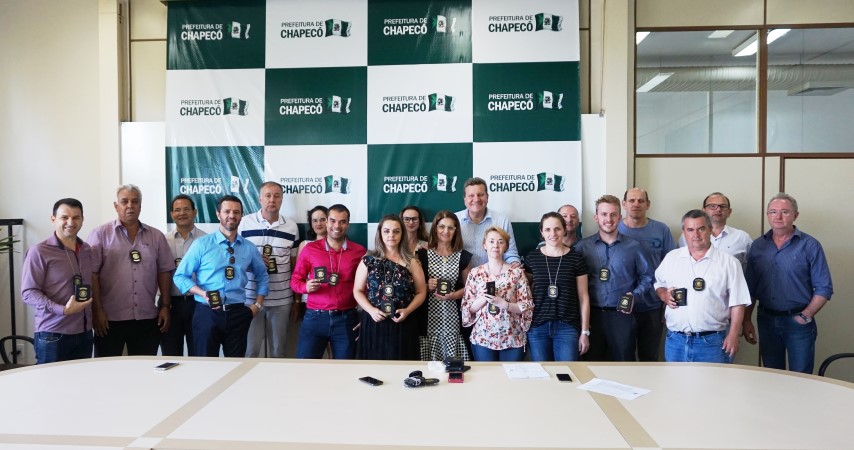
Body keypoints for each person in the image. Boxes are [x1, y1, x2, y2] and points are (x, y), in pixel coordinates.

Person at [744, 193, 833, 374]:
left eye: (785, 212)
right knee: (772, 375)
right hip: (766, 320)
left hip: (798, 322)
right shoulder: (758, 246)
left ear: (795, 215)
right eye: (773, 212)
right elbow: (750, 288)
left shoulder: (810, 245)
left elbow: (824, 288)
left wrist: (806, 315)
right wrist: (746, 320)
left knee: (801, 376)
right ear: (767, 215)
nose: (778, 217)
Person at [174, 195, 269, 357]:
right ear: (218, 214)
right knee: (205, 364)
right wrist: (202, 293)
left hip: (238, 313)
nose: (232, 215)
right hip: (207, 313)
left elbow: (262, 277)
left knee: (236, 365)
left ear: (241, 216)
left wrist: (257, 306)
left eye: (236, 212)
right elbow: (180, 276)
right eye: (227, 211)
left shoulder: (249, 248)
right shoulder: (201, 244)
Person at [87, 185, 173, 357]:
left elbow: (164, 271)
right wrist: (97, 311)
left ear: (140, 205)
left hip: (147, 317)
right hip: (109, 319)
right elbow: (92, 274)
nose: (130, 206)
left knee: (144, 368)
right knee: (106, 367)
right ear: (116, 206)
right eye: (124, 202)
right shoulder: (100, 234)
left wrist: (165, 306)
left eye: (135, 202)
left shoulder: (156, 236)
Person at [655, 210, 751, 363]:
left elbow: (738, 302)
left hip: (712, 343)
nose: (696, 235)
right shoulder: (672, 258)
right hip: (676, 341)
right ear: (684, 232)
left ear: (710, 229)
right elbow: (659, 283)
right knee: (675, 379)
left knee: (714, 380)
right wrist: (663, 295)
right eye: (690, 230)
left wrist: (733, 335)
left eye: (701, 229)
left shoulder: (729, 262)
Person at [575, 195, 653, 362]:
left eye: (613, 214)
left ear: (620, 217)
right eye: (604, 214)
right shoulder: (582, 247)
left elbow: (647, 277)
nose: (608, 219)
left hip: (622, 316)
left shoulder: (634, 246)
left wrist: (635, 295)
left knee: (623, 365)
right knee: (591, 366)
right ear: (596, 217)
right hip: (591, 317)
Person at [21, 198, 95, 364]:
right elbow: (28, 292)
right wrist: (62, 310)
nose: (71, 222)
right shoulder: (39, 252)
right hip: (53, 334)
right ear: (53, 219)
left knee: (81, 380)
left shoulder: (86, 249)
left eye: (76, 217)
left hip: (84, 333)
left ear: (82, 219)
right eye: (64, 217)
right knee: (50, 381)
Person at [291, 204, 366, 359]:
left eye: (342, 222)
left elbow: (366, 287)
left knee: (346, 368)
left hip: (347, 319)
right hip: (314, 318)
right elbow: (295, 281)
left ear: (348, 224)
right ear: (326, 222)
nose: (337, 226)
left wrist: (366, 316)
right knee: (305, 367)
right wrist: (305, 287)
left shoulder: (359, 251)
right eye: (333, 221)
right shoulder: (310, 249)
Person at [353, 214, 426, 360]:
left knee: (403, 367)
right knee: (374, 366)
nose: (391, 235)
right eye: (386, 231)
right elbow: (357, 291)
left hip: (403, 321)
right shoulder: (368, 260)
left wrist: (407, 311)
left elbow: (421, 292)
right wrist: (371, 310)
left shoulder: (412, 261)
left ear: (402, 234)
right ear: (380, 233)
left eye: (396, 231)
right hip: (374, 320)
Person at [239, 181, 299, 358]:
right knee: (250, 351)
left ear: (282, 199)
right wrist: (253, 263)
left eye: (276, 196)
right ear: (260, 199)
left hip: (281, 299)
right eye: (268, 195)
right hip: (250, 298)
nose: (272, 199)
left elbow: (294, 265)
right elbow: (235, 260)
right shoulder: (244, 223)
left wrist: (296, 300)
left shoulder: (292, 227)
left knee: (278, 352)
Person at [618, 187, 675, 362]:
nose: (636, 204)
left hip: (652, 305)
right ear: (624, 204)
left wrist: (667, 302)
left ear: (648, 204)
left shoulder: (661, 230)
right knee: (622, 358)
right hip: (621, 306)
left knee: (649, 358)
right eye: (632, 200)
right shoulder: (614, 229)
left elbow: (672, 267)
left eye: (641, 201)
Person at [526, 212, 590, 361]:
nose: (553, 234)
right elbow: (525, 293)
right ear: (542, 232)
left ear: (564, 230)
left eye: (557, 229)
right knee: (542, 372)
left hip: (567, 326)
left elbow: (583, 297)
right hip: (537, 326)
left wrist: (584, 332)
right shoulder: (532, 258)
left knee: (567, 372)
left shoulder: (576, 258)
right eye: (547, 229)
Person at [462, 226, 533, 361]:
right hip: (483, 338)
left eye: (500, 242)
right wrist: (482, 298)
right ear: (484, 245)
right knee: (488, 375)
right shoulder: (475, 273)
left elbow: (526, 305)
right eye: (491, 241)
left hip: (512, 337)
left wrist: (505, 304)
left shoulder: (516, 273)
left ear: (506, 246)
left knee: (510, 374)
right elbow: (467, 308)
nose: (496, 245)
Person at [415, 211, 473, 361]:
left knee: (452, 366)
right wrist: (427, 286)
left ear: (456, 230)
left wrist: (454, 295)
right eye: (441, 227)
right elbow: (413, 287)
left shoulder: (463, 256)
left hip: (453, 318)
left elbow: (471, 288)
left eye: (450, 228)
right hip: (427, 317)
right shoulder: (422, 254)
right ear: (435, 228)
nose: (446, 231)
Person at [161, 194, 206, 356]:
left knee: (199, 353)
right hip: (170, 304)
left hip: (198, 303)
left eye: (186, 209)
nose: (182, 213)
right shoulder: (162, 240)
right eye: (177, 210)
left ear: (195, 212)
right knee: (171, 354)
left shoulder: (207, 240)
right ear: (172, 214)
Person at [455, 177, 521, 268]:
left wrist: (514, 264)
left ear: (487, 197)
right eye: (471, 195)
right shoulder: (455, 220)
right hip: (461, 275)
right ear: (465, 199)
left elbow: (510, 252)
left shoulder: (501, 220)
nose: (476, 199)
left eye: (480, 195)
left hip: (495, 275)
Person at [679, 192, 751, 269]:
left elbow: (751, 268)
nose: (718, 209)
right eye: (712, 206)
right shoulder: (687, 236)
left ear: (729, 212)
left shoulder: (742, 237)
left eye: (723, 206)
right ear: (703, 211)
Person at [294, 205, 328, 315]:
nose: (318, 223)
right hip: (309, 300)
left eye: (322, 219)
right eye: (315, 220)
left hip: (332, 299)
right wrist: (297, 301)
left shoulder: (339, 245)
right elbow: (298, 276)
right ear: (311, 224)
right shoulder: (305, 245)